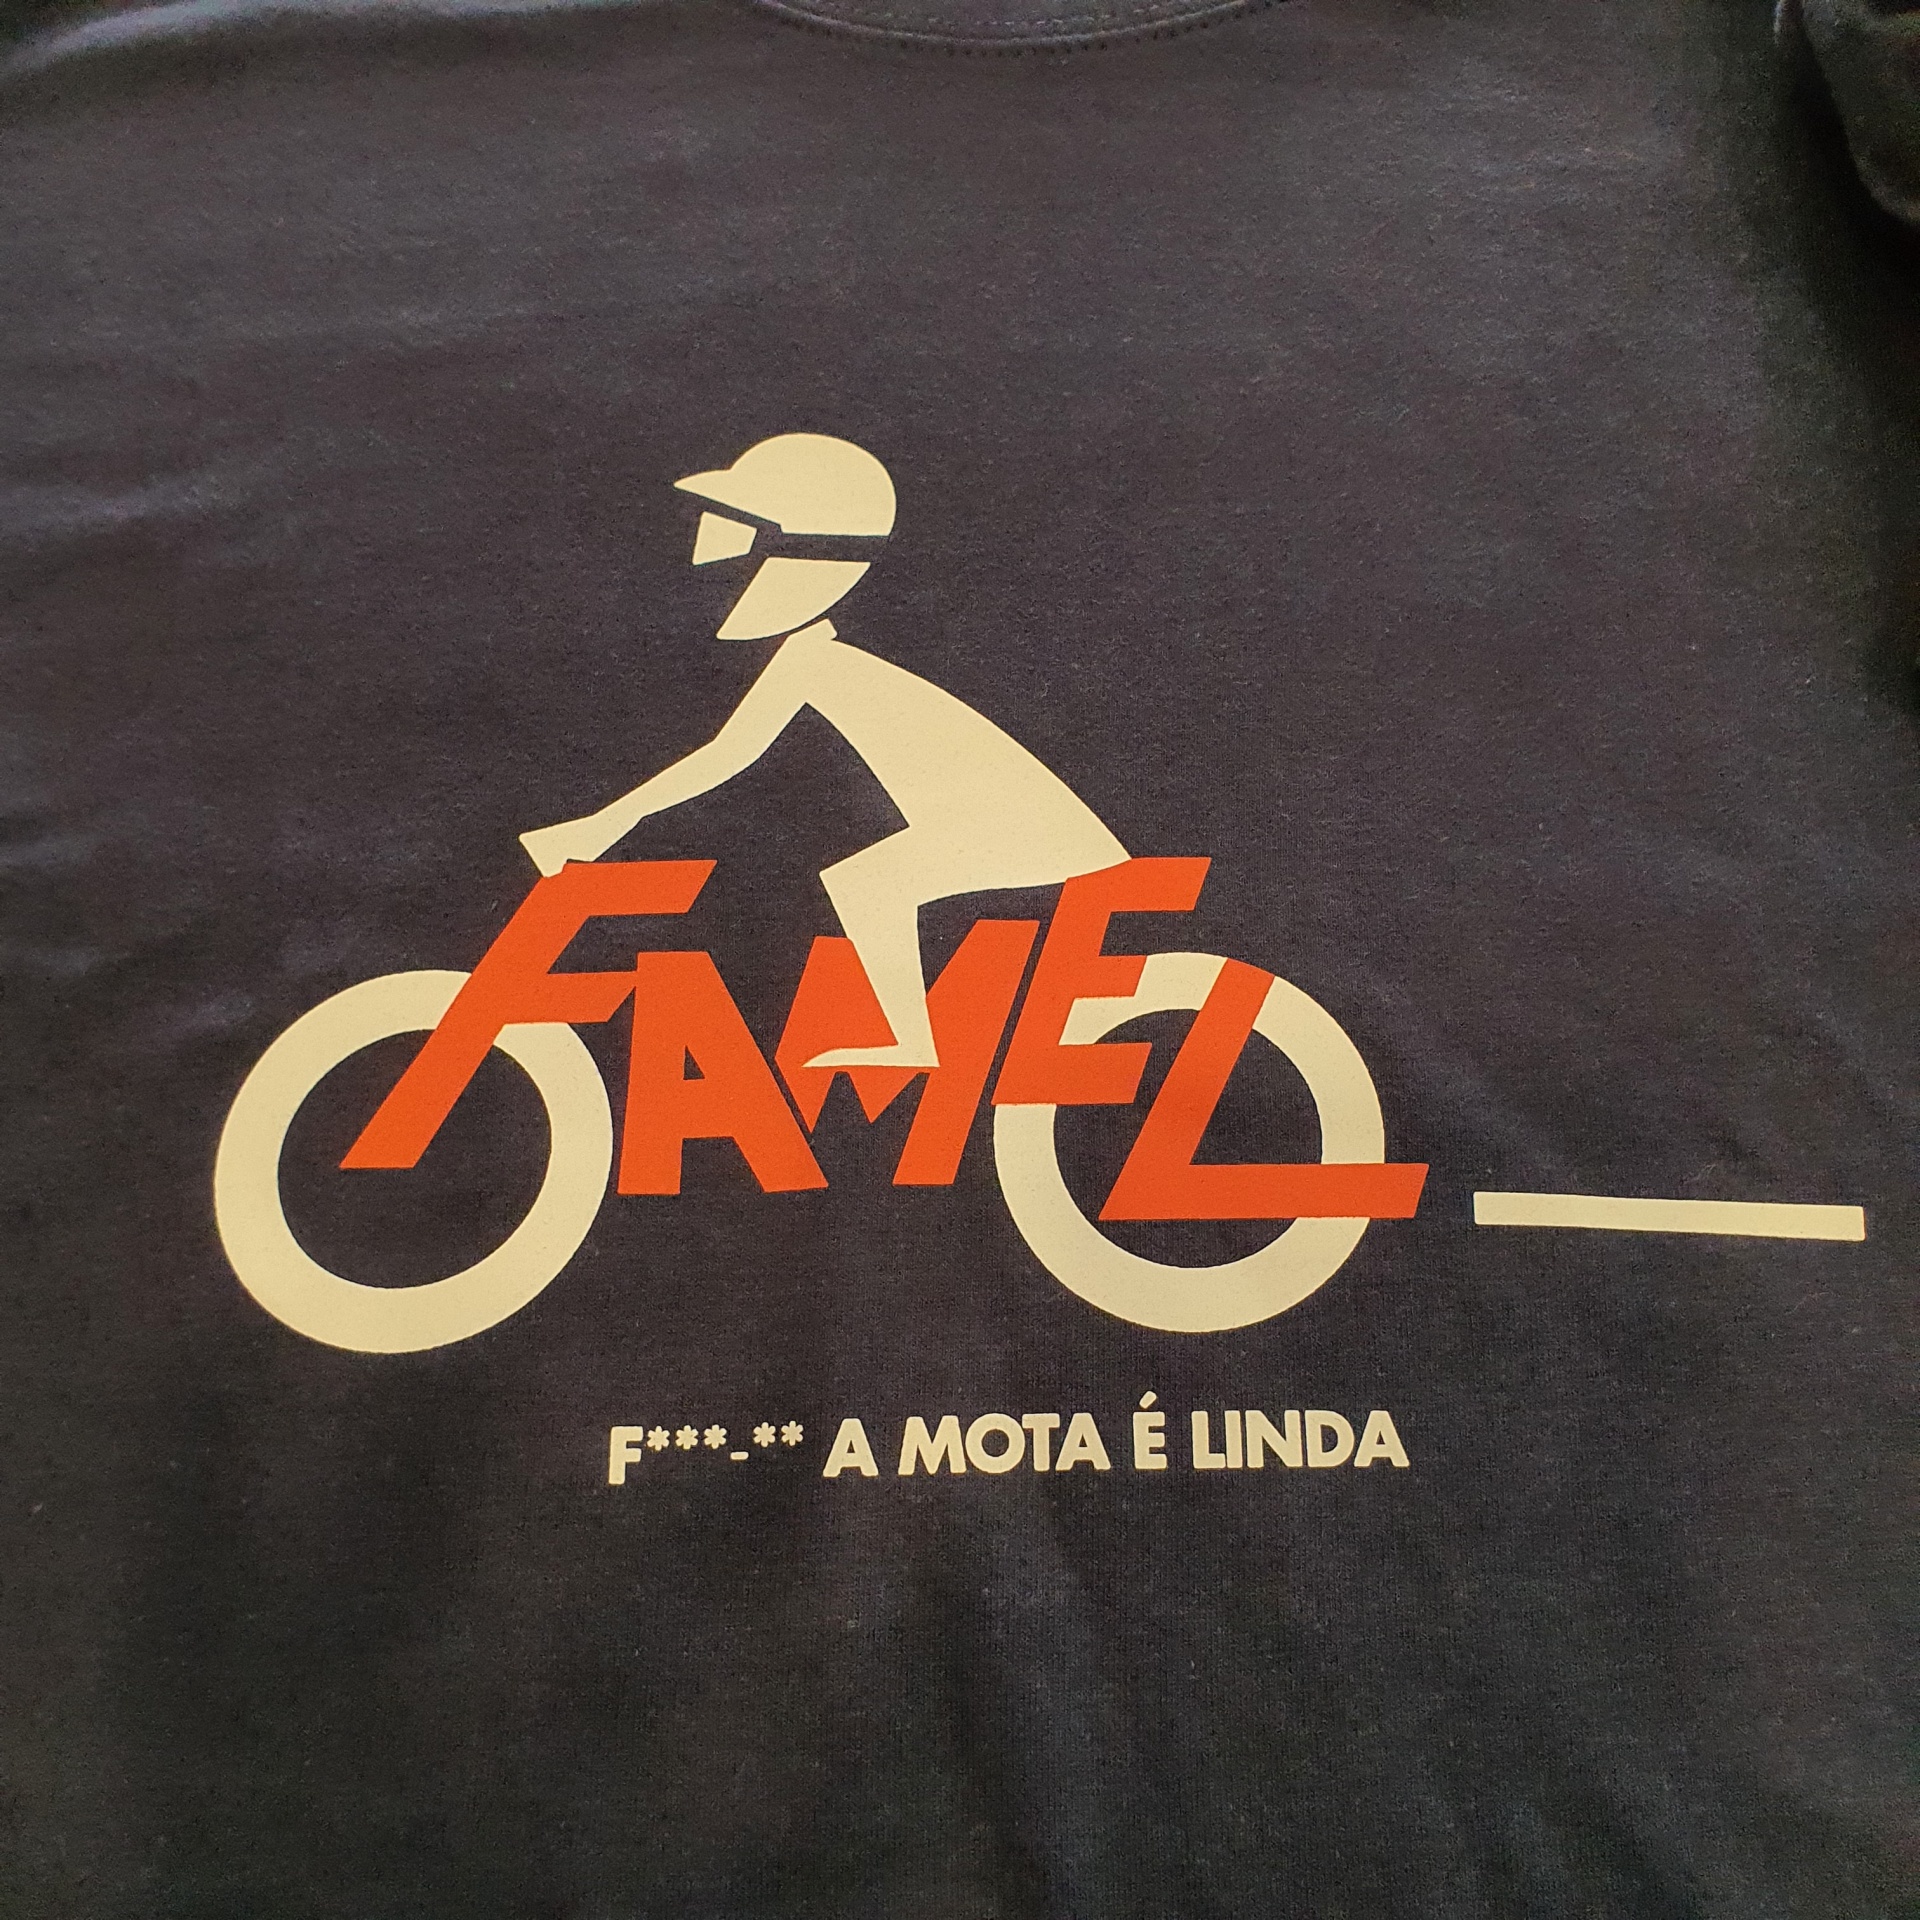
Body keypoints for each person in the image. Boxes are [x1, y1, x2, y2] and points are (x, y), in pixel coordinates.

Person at [520, 432, 1127, 1069]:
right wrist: (605, 823)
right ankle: (912, 1041)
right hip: (1005, 821)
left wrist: (607, 822)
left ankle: (912, 1043)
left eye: (733, 533)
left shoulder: (814, 659)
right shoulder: (814, 654)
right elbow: (731, 752)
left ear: (794, 553)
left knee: (867, 882)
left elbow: (729, 754)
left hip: (1022, 825)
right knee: (867, 881)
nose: (706, 559)